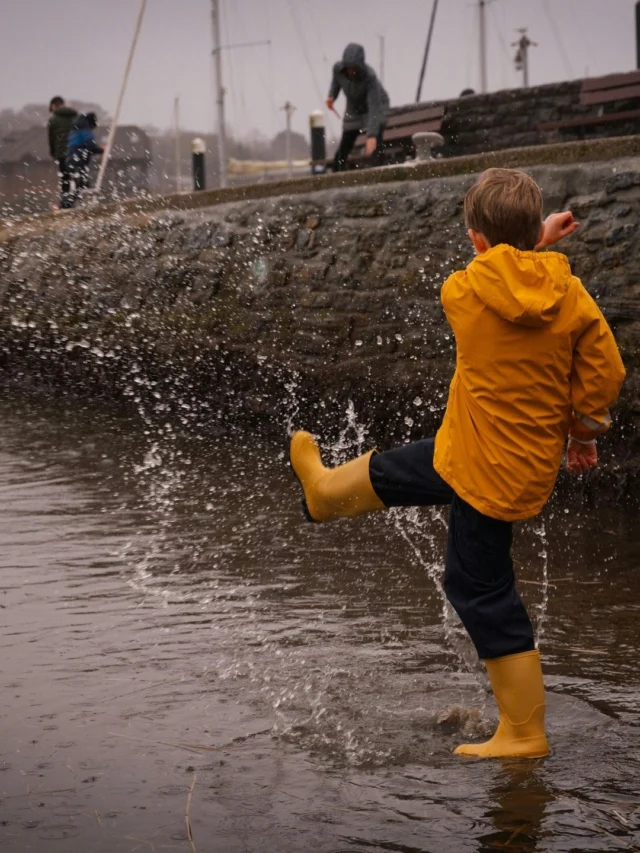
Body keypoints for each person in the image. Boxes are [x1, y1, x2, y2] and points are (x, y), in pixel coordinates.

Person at [289, 168, 626, 759]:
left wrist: (530, 242)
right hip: (502, 455)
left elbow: (499, 276)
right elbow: (604, 372)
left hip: (487, 474)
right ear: (530, 232)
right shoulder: (571, 295)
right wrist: (585, 432)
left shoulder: (462, 293)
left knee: (478, 587)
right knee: (403, 468)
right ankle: (323, 493)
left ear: (475, 241)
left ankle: (524, 733)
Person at [327, 43, 390, 171]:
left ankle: (377, 169)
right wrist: (332, 96)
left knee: (375, 140)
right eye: (348, 69)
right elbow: (336, 82)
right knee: (346, 140)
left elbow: (374, 107)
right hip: (354, 107)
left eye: (354, 69)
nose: (351, 72)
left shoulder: (370, 77)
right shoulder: (338, 70)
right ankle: (337, 171)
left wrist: (371, 135)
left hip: (377, 105)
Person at [65, 112, 105, 207]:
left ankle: (78, 205)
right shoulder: (85, 132)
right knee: (83, 185)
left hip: (71, 162)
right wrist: (102, 150)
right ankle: (67, 205)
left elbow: (82, 147)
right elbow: (90, 146)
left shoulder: (75, 131)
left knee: (81, 185)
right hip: (78, 163)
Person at [47, 96, 78, 210]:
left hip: (61, 153)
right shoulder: (75, 116)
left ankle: (65, 203)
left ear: (53, 105)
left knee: (65, 178)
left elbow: (51, 139)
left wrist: (53, 153)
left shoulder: (53, 120)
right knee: (76, 176)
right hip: (75, 151)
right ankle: (75, 200)